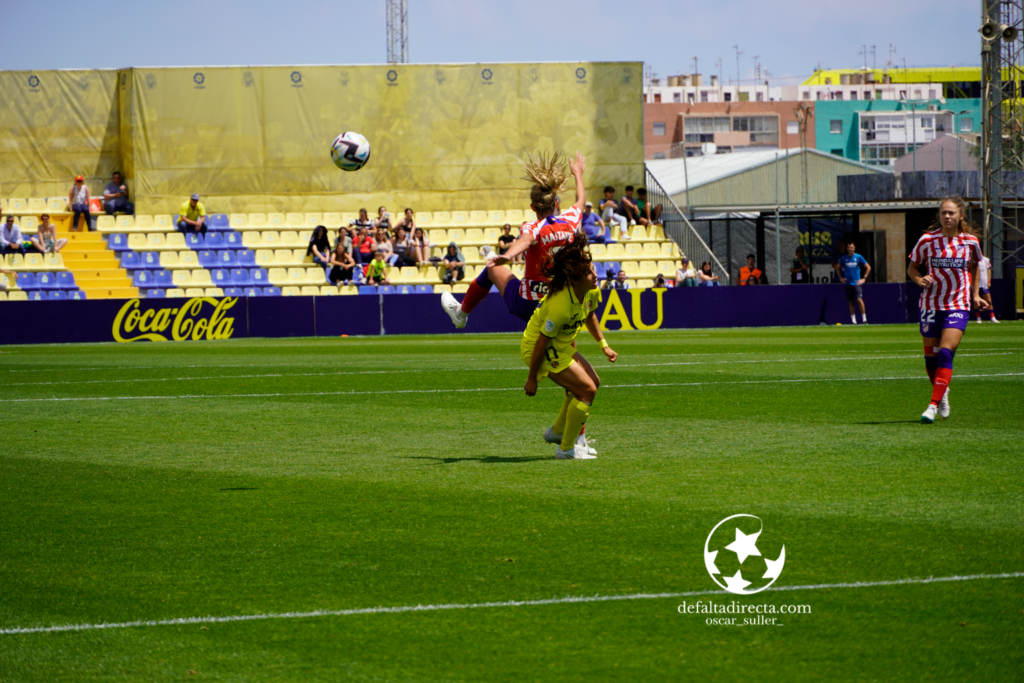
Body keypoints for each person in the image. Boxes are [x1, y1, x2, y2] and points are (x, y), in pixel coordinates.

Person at [441, 151, 586, 329]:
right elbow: (581, 201)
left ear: (532, 207)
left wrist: (507, 257)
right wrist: (578, 174)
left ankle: (460, 314)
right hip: (561, 303)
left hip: (529, 305)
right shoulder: (570, 221)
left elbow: (525, 241)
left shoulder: (532, 228)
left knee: (492, 268)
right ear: (556, 204)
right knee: (564, 347)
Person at [522, 231, 616, 460]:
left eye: (593, 270)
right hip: (539, 347)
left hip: (558, 345)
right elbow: (541, 342)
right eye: (589, 273)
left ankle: (557, 431)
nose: (595, 275)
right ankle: (565, 449)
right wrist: (532, 377)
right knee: (587, 390)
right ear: (574, 279)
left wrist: (603, 345)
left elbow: (590, 315)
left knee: (594, 382)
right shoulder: (560, 306)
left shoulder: (591, 291)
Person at [908, 196, 987, 423]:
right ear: (939, 216)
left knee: (945, 352)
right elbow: (912, 267)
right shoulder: (926, 241)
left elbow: (974, 266)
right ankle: (942, 393)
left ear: (960, 216)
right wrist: (919, 279)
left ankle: (932, 405)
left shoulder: (970, 242)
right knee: (931, 361)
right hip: (930, 304)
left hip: (957, 304)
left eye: (952, 213)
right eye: (944, 213)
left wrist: (975, 295)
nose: (947, 216)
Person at [835, 242, 871, 324]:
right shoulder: (844, 258)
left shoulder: (858, 257)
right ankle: (853, 321)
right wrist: (840, 278)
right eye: (849, 247)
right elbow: (837, 267)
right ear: (847, 248)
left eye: (851, 247)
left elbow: (868, 267)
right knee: (850, 302)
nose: (850, 249)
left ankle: (864, 319)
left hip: (856, 283)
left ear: (854, 248)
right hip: (848, 283)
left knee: (859, 299)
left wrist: (864, 278)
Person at [974, 253, 999, 323]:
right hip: (975, 284)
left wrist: (988, 281)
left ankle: (992, 318)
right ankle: (978, 319)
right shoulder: (972, 260)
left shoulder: (985, 260)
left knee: (989, 301)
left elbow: (988, 270)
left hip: (984, 283)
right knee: (976, 302)